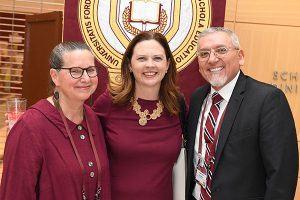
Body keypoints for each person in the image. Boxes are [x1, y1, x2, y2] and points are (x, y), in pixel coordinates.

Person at [186, 27, 298, 200]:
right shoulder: (196, 98)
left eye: (221, 50)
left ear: (240, 57)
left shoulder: (267, 99)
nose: (212, 59)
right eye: (204, 53)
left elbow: (282, 176)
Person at [0, 42, 111, 200]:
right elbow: (15, 193)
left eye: (91, 70)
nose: (86, 78)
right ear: (55, 76)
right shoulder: (30, 126)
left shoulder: (93, 119)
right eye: (76, 71)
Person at [92, 31, 183, 200]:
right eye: (141, 59)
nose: (150, 65)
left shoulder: (177, 105)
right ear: (129, 65)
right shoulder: (109, 102)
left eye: (157, 58)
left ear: (168, 64)